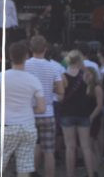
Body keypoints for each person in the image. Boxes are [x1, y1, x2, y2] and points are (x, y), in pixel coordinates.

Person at [0, 42, 46, 177]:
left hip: (7, 126)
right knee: (24, 168)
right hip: (28, 127)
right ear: (26, 56)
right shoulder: (33, 80)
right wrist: (28, 110)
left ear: (10, 57)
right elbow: (42, 108)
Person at [25, 36, 64, 177]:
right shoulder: (53, 67)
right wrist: (51, 92)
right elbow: (60, 92)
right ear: (45, 49)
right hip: (47, 113)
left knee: (30, 147)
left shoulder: (25, 65)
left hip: (29, 113)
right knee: (49, 151)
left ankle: (32, 172)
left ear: (30, 49)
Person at [60, 50, 94, 177]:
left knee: (70, 147)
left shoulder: (63, 76)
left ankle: (70, 174)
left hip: (67, 113)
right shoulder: (86, 75)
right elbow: (89, 93)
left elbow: (61, 97)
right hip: (83, 113)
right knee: (86, 147)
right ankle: (91, 174)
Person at [84, 66, 103, 177]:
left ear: (93, 75)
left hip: (94, 118)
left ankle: (94, 171)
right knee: (91, 145)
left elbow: (99, 105)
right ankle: (93, 169)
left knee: (90, 144)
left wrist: (91, 117)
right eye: (85, 74)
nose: (86, 76)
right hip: (86, 118)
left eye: (89, 74)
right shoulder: (85, 87)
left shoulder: (96, 87)